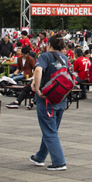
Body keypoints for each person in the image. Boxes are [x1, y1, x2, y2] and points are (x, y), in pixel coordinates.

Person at [29, 36, 70, 171]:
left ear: (49, 44)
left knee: (50, 131)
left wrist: (38, 87)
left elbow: (38, 70)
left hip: (46, 99)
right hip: (61, 98)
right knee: (51, 129)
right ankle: (40, 156)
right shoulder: (65, 58)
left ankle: (59, 162)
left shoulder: (45, 56)